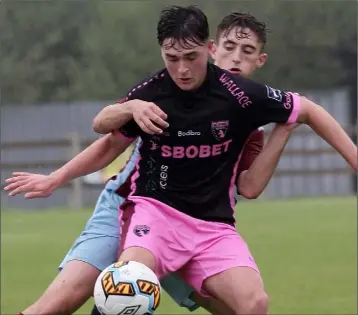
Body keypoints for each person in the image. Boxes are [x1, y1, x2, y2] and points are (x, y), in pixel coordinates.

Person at [92, 5, 356, 315]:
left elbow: (256, 178)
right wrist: (130, 109)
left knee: (254, 304)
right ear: (214, 48)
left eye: (247, 51)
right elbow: (105, 131)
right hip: (153, 215)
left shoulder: (247, 101)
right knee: (127, 287)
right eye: (230, 47)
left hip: (210, 226)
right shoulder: (156, 90)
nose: (183, 69)